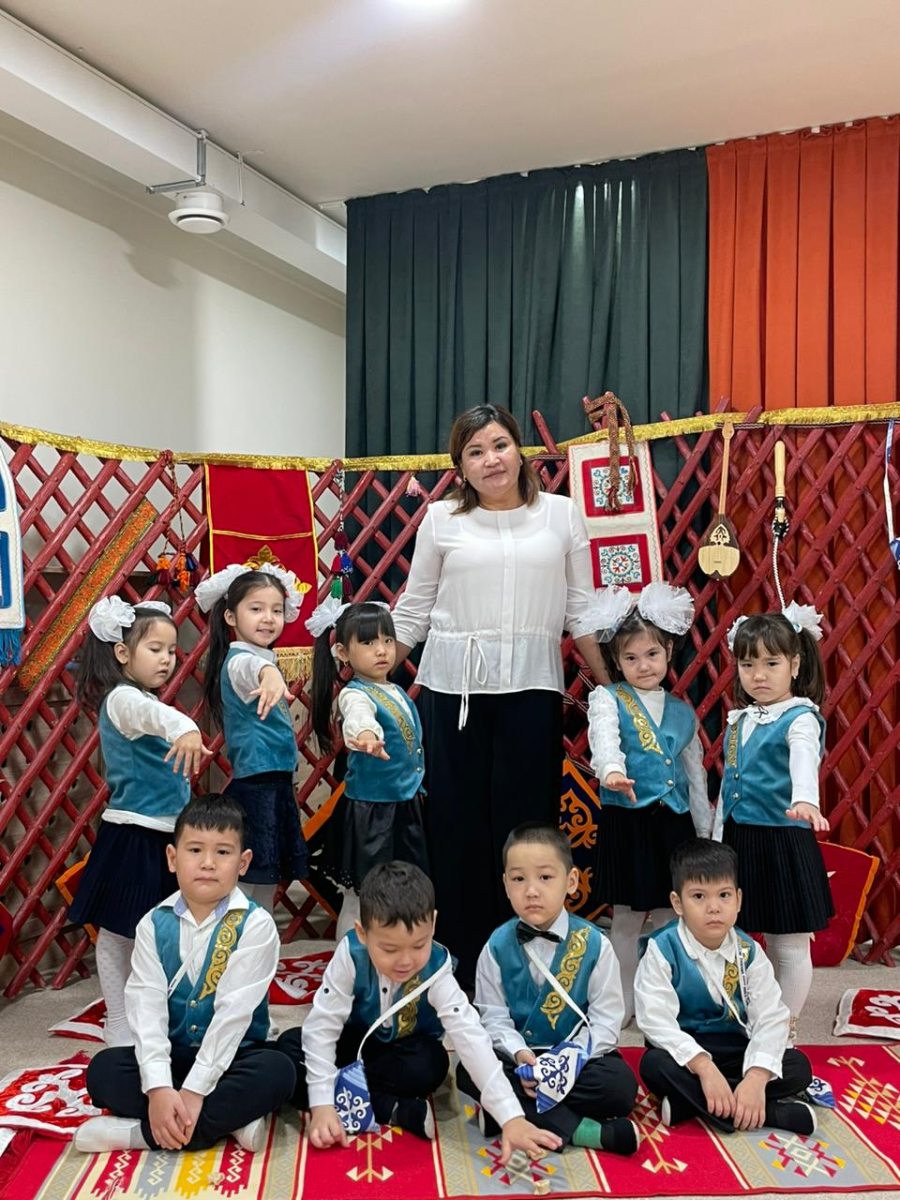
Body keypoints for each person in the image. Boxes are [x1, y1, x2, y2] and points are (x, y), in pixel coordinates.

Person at [390, 404, 609, 984]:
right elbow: (414, 609)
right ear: (460, 466)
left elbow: (581, 610)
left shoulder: (560, 515)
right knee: (455, 825)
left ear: (519, 449)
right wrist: (368, 673)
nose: (491, 460)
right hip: (452, 692)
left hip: (532, 692)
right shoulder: (441, 519)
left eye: (500, 445)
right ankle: (460, 966)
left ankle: (524, 961)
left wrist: (614, 688)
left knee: (526, 825)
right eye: (475, 452)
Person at [276, 861, 563, 1165]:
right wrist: (321, 1104)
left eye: (418, 945)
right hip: (354, 1042)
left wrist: (511, 1117)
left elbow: (470, 1035)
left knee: (431, 1064)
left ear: (433, 924)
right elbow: (323, 1026)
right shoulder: (350, 954)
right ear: (362, 933)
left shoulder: (437, 966)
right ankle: (389, 1108)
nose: (405, 961)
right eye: (389, 949)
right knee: (290, 1050)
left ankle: (360, 1099)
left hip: (403, 1053)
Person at [76, 794, 295, 1154]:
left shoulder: (256, 925)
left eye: (222, 852)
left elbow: (233, 1016)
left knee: (279, 1071)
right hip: (174, 1055)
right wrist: (160, 1088)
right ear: (172, 858)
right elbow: (146, 1009)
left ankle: (141, 1135)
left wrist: (194, 1091)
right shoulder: (152, 924)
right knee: (103, 1071)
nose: (208, 863)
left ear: (243, 863)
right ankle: (227, 1122)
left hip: (233, 1056)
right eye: (195, 850)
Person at [71, 595, 208, 1047]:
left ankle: (154, 1010)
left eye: (172, 650)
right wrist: (186, 728)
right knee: (118, 932)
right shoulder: (124, 699)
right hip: (134, 834)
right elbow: (156, 716)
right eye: (155, 649)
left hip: (168, 833)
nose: (167, 659)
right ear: (122, 652)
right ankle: (117, 1020)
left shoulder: (141, 696)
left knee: (162, 930)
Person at [461, 823, 640, 1155]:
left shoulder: (595, 944)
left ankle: (508, 1111)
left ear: (570, 882)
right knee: (468, 1070)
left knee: (619, 1087)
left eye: (545, 877)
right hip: (520, 1059)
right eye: (519, 879)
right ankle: (583, 1130)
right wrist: (520, 1054)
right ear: (505, 884)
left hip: (577, 1058)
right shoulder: (496, 946)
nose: (531, 891)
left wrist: (568, 1061)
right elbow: (493, 1018)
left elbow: (606, 1020)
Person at [587, 583, 711, 1019]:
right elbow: (604, 740)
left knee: (669, 916)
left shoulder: (682, 711)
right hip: (628, 821)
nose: (643, 665)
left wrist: (705, 830)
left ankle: (663, 1001)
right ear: (616, 660)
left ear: (669, 652)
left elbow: (695, 775)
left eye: (652, 654)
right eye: (632, 658)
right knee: (625, 917)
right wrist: (611, 771)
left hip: (673, 824)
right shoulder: (608, 699)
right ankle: (621, 1000)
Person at [634, 839, 816, 1135]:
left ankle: (693, 1104)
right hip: (688, 1052)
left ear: (738, 900)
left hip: (735, 1047)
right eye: (699, 896)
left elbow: (770, 1016)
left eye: (724, 895)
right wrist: (704, 1068)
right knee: (654, 1065)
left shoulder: (749, 951)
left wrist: (756, 1077)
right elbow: (655, 1020)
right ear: (678, 903)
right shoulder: (662, 948)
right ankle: (767, 1113)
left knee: (798, 1066)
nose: (714, 908)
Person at [713, 607, 833, 1036]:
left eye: (771, 663)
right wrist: (715, 838)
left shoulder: (800, 717)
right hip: (739, 840)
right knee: (738, 936)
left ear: (795, 665)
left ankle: (785, 1026)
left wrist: (805, 799)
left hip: (783, 840)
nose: (759, 675)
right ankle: (750, 1015)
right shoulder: (739, 719)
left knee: (789, 942)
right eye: (748, 665)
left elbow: (803, 757)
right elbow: (728, 787)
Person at [307, 599, 428, 937]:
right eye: (369, 642)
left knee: (403, 888)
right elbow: (359, 717)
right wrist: (365, 735)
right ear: (343, 653)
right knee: (362, 895)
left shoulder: (396, 690)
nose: (381, 650)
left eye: (387, 640)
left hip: (404, 805)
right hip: (372, 813)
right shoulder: (355, 694)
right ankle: (352, 958)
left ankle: (393, 952)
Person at [197, 563, 308, 913]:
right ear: (231, 617)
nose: (268, 618)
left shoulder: (260, 656)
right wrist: (271, 675)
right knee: (247, 879)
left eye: (277, 610)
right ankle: (232, 941)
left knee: (265, 879)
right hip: (256, 788)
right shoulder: (241, 661)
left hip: (274, 784)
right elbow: (254, 670)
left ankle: (259, 939)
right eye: (256, 609)